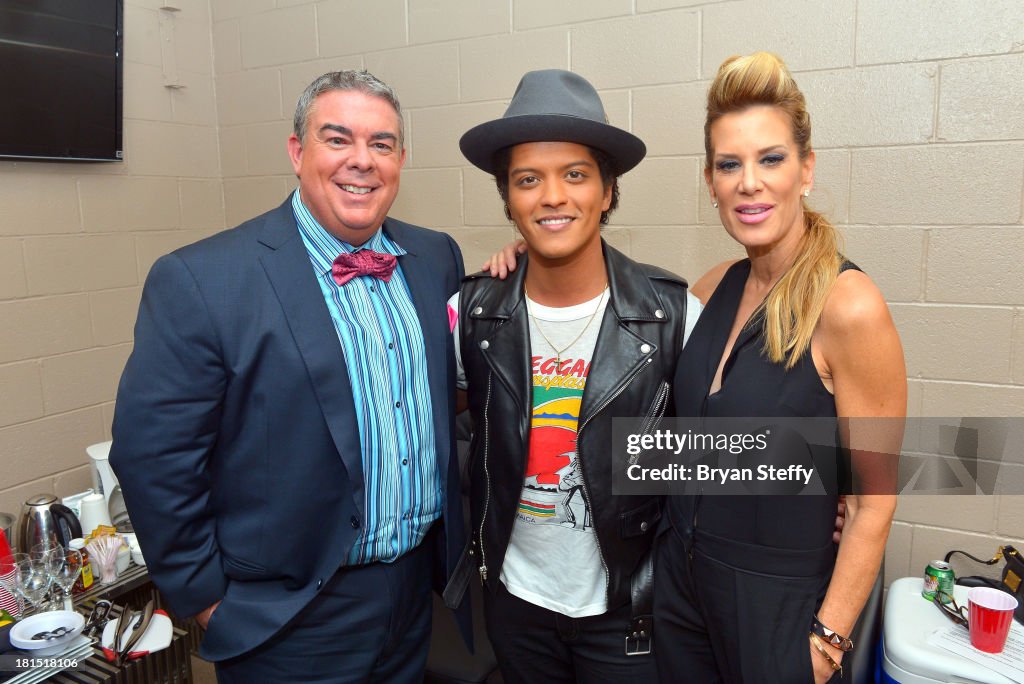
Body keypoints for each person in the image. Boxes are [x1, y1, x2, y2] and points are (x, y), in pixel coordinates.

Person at [108, 70, 470, 683]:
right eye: (338, 139)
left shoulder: (436, 257)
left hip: (413, 598)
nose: (362, 161)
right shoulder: (204, 279)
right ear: (298, 152)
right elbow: (153, 456)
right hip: (287, 616)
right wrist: (204, 598)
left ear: (401, 160)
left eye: (381, 144)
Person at [654, 52, 905, 683]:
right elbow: (614, 311)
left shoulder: (848, 306)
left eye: (771, 159)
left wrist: (827, 644)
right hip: (682, 593)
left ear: (806, 170)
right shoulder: (713, 289)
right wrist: (533, 253)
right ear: (709, 180)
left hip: (778, 608)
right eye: (729, 164)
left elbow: (873, 501)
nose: (749, 182)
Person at [451, 69, 700, 683]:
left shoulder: (669, 314)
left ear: (608, 192)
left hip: (628, 610)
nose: (552, 197)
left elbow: (713, 456)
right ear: (508, 199)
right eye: (528, 180)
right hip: (514, 605)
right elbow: (446, 427)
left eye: (575, 175)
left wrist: (815, 490)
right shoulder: (474, 314)